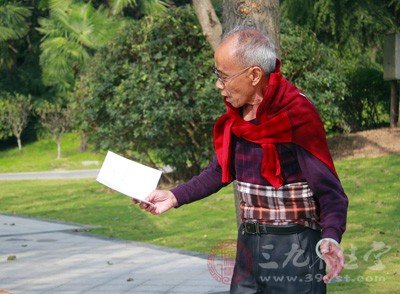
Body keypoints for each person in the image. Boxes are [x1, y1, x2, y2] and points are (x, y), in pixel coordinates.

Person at [135, 26, 348, 293]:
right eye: (217, 75)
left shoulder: (296, 115)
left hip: (295, 249)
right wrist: (174, 196)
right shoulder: (239, 117)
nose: (218, 84)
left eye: (223, 76)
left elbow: (331, 193)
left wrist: (330, 236)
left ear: (255, 75)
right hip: (249, 245)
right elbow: (220, 170)